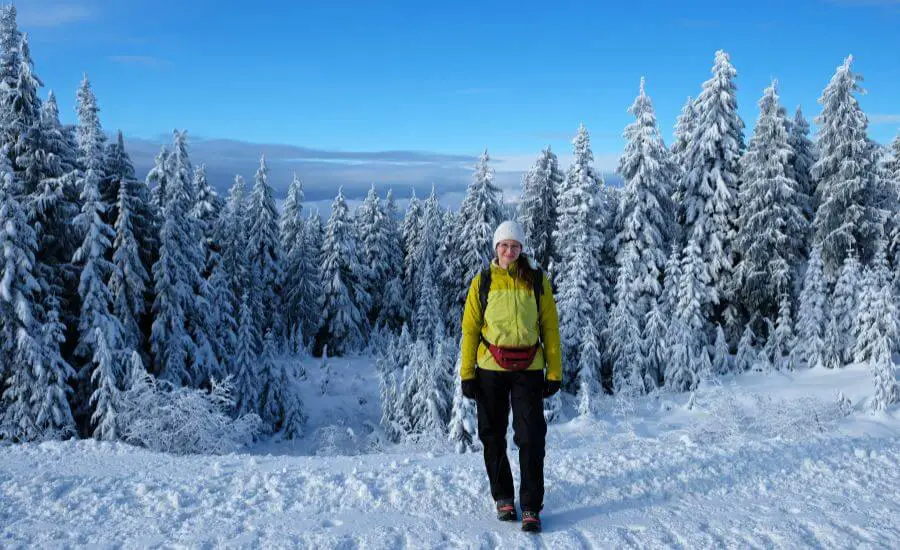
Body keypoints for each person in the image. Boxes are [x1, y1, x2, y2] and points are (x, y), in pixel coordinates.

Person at [459, 220, 562, 533]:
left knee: (531, 437)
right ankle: (503, 496)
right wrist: (467, 374)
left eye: (515, 245)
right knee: (492, 434)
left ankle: (531, 505)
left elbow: (550, 327)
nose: (509, 250)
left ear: (521, 249)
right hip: (490, 368)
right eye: (504, 245)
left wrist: (554, 371)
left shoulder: (536, 280)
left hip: (529, 369)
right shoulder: (483, 281)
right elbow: (470, 328)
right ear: (496, 248)